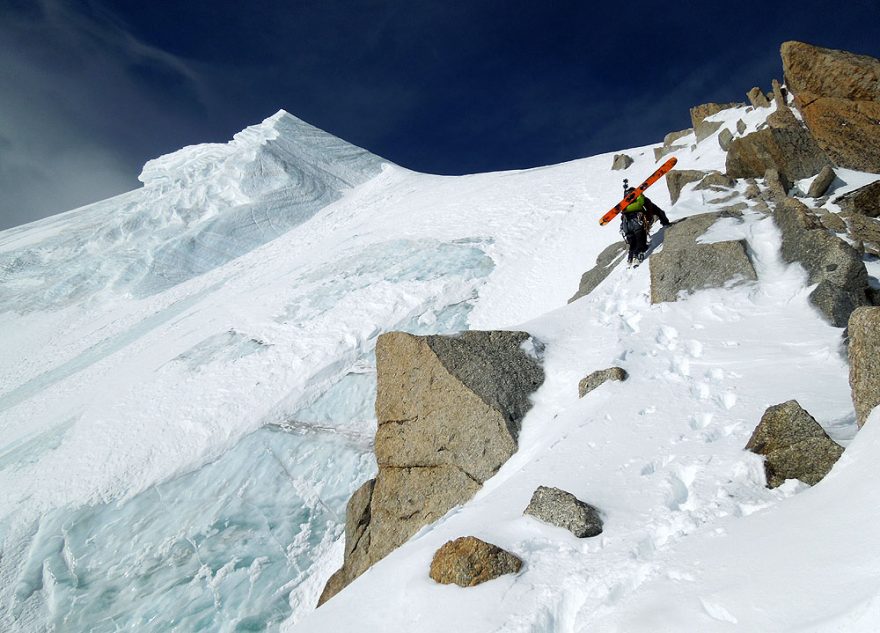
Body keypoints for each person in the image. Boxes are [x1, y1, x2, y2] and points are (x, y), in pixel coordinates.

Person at [619, 187, 671, 265]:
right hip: (638, 222)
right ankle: (637, 257)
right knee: (641, 243)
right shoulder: (643, 201)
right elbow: (657, 211)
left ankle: (630, 259)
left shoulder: (625, 206)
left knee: (632, 243)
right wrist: (665, 222)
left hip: (626, 225)